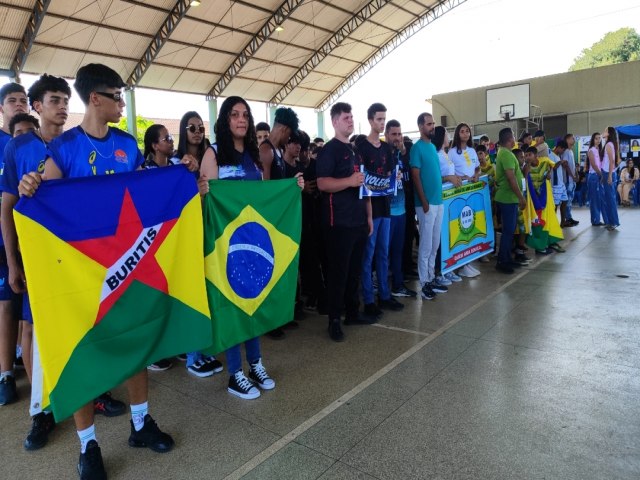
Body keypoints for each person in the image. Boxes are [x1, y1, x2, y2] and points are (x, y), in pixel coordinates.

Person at [18, 63, 174, 480]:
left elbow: (148, 195)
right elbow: (39, 197)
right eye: (117, 95)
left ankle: (140, 423)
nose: (122, 102)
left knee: (134, 342)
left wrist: (184, 183)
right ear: (97, 99)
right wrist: (32, 187)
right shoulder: (65, 147)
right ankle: (88, 446)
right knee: (84, 353)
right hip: (80, 274)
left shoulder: (127, 145)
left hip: (128, 266)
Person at [2, 74, 130, 455]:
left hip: (85, 261)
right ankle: (41, 411)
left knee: (90, 328)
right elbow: (9, 207)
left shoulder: (76, 143)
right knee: (40, 333)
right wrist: (14, 261)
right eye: (53, 99)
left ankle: (97, 392)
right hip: (41, 259)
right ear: (36, 106)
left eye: (64, 99)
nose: (62, 105)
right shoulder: (20, 147)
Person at [199, 96, 281, 400]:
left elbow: (263, 197)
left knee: (252, 304)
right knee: (233, 309)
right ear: (225, 119)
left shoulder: (254, 155)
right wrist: (202, 192)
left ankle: (256, 363)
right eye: (234, 114)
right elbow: (204, 202)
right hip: (225, 246)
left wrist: (290, 189)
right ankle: (235, 373)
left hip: (253, 242)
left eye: (245, 114)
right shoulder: (214, 153)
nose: (241, 119)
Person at [317, 102, 372, 342]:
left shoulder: (354, 150)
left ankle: (352, 311)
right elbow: (322, 183)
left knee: (354, 272)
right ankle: (334, 320)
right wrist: (349, 181)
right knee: (339, 273)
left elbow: (364, 183)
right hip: (338, 223)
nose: (350, 121)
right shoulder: (329, 150)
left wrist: (368, 216)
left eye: (351, 117)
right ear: (335, 122)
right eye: (346, 117)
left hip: (358, 220)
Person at [358, 103, 403, 317]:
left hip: (385, 207)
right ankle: (368, 299)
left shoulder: (387, 149)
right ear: (370, 120)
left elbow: (389, 174)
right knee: (368, 255)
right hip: (370, 209)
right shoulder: (362, 147)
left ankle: (384, 295)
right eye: (378, 119)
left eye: (384, 119)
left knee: (383, 253)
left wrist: (395, 178)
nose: (381, 123)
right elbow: (363, 183)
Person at [0, 82, 27, 408]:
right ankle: (6, 374)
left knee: (28, 314)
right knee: (6, 305)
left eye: (23, 99)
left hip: (33, 241)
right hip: (5, 242)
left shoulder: (32, 142)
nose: (19, 104)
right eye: (12, 100)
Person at [410, 113, 445, 301]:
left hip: (438, 202)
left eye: (433, 124)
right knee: (425, 245)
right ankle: (424, 283)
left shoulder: (432, 147)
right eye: (429, 124)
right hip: (426, 204)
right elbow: (415, 176)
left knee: (435, 244)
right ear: (421, 126)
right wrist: (423, 201)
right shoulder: (417, 148)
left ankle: (431, 277)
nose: (432, 127)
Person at [386, 119, 416, 298]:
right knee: (384, 253)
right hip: (387, 212)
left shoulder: (404, 154)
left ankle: (398, 285)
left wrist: (403, 152)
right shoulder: (383, 154)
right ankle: (382, 288)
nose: (397, 138)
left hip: (402, 210)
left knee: (398, 250)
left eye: (399, 134)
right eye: (394, 134)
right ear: (387, 135)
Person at [448, 123, 481, 278]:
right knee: (461, 227)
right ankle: (461, 264)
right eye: (462, 131)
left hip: (472, 192)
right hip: (459, 192)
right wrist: (462, 177)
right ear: (457, 134)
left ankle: (467, 263)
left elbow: (477, 167)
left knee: (470, 226)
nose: (465, 133)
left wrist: (476, 174)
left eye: (467, 131)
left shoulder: (473, 150)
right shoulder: (452, 152)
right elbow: (450, 172)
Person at [494, 128, 527, 274]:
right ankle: (502, 261)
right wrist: (521, 197)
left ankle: (507, 258)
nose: (515, 139)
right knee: (508, 231)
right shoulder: (506, 154)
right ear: (510, 139)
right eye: (514, 136)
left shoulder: (504, 153)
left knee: (510, 230)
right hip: (508, 198)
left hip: (510, 198)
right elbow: (511, 177)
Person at [432, 126, 462, 286]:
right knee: (440, 237)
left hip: (450, 200)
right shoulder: (436, 155)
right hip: (441, 199)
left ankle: (447, 267)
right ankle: (439, 271)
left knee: (448, 235)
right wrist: (449, 178)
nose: (449, 136)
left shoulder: (444, 153)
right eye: (446, 134)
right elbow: (437, 177)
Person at [260, 107, 299, 181]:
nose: (289, 138)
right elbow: (265, 187)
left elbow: (279, 181)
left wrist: (293, 182)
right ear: (284, 129)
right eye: (289, 134)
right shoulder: (266, 150)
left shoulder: (279, 150)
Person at [601, 126, 621, 230]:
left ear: (609, 133)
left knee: (610, 199)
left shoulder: (609, 144)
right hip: (606, 173)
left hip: (608, 173)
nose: (603, 132)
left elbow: (612, 161)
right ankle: (611, 222)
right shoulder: (609, 144)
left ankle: (614, 222)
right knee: (608, 199)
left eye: (605, 130)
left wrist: (609, 175)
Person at [549, 140, 570, 227]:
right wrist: (561, 162)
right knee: (555, 205)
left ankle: (563, 221)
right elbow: (553, 167)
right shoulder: (550, 155)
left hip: (561, 183)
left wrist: (563, 163)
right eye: (563, 150)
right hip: (555, 184)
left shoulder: (558, 156)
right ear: (559, 147)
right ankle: (553, 224)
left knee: (565, 201)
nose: (563, 152)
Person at [587, 132, 606, 226]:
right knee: (594, 199)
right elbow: (594, 165)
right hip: (594, 176)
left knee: (599, 199)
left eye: (599, 138)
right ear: (593, 140)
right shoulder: (591, 150)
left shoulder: (599, 150)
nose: (598, 140)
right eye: (596, 138)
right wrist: (601, 175)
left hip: (598, 175)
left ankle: (597, 219)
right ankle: (595, 220)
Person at [561, 134, 579, 226]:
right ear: (567, 140)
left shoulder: (571, 151)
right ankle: (567, 219)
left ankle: (569, 217)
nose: (574, 140)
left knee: (570, 200)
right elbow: (565, 165)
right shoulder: (566, 151)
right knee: (567, 200)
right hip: (568, 180)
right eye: (573, 138)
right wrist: (572, 176)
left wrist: (576, 174)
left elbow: (573, 165)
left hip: (572, 180)